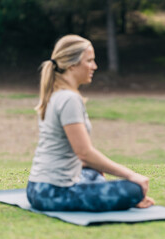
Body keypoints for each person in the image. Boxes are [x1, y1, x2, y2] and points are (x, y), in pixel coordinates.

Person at [27, 34, 154, 211]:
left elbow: (82, 158)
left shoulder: (56, 96)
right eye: (89, 61)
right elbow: (84, 153)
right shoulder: (69, 99)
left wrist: (98, 167)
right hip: (54, 192)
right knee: (134, 189)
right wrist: (132, 176)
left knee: (93, 173)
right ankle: (132, 197)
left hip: (37, 188)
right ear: (72, 64)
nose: (94, 66)